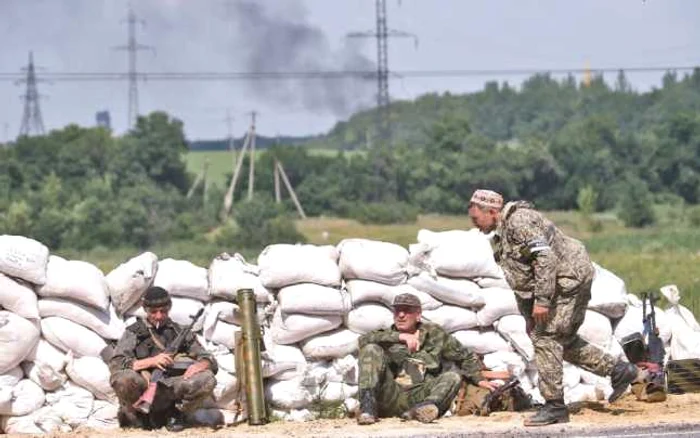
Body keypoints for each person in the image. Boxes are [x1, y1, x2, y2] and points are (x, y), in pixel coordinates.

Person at [467, 189, 639, 426]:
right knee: (562, 340)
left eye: (477, 219)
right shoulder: (502, 234)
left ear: (492, 212)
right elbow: (520, 279)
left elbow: (545, 259)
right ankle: (619, 370)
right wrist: (528, 314)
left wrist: (543, 301)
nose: (476, 225)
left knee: (545, 338)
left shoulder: (519, 222)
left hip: (568, 280)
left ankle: (555, 406)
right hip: (563, 281)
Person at [356, 292, 504, 425]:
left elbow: (464, 356)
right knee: (370, 349)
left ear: (418, 315)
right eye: (398, 310)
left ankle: (424, 409)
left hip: (419, 394)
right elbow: (362, 341)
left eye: (407, 311)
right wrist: (399, 337)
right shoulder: (385, 335)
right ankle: (368, 408)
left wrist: (479, 379)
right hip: (391, 394)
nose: (401, 315)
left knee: (453, 376)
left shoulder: (435, 334)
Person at [109, 286, 217, 432]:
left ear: (169, 308)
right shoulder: (134, 332)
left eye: (163, 311)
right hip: (144, 385)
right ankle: (140, 415)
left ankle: (176, 414)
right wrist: (151, 362)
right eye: (153, 312)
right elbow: (116, 362)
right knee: (123, 379)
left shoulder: (180, 332)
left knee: (207, 379)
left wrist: (201, 365)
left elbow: (208, 358)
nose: (159, 316)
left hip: (172, 388)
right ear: (145, 309)